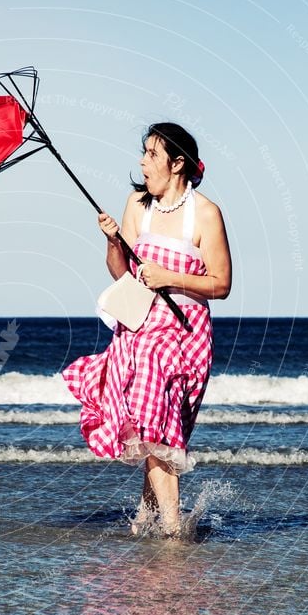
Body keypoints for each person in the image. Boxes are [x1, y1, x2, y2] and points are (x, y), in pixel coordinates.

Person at [62, 123, 232, 539]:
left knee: (164, 430)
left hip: (187, 334)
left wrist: (169, 277)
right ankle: (172, 530)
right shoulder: (137, 206)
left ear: (177, 164)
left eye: (152, 154)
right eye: (143, 153)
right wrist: (112, 243)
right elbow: (123, 274)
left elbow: (221, 284)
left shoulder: (205, 213)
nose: (142, 162)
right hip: (141, 331)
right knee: (155, 426)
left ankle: (145, 519)